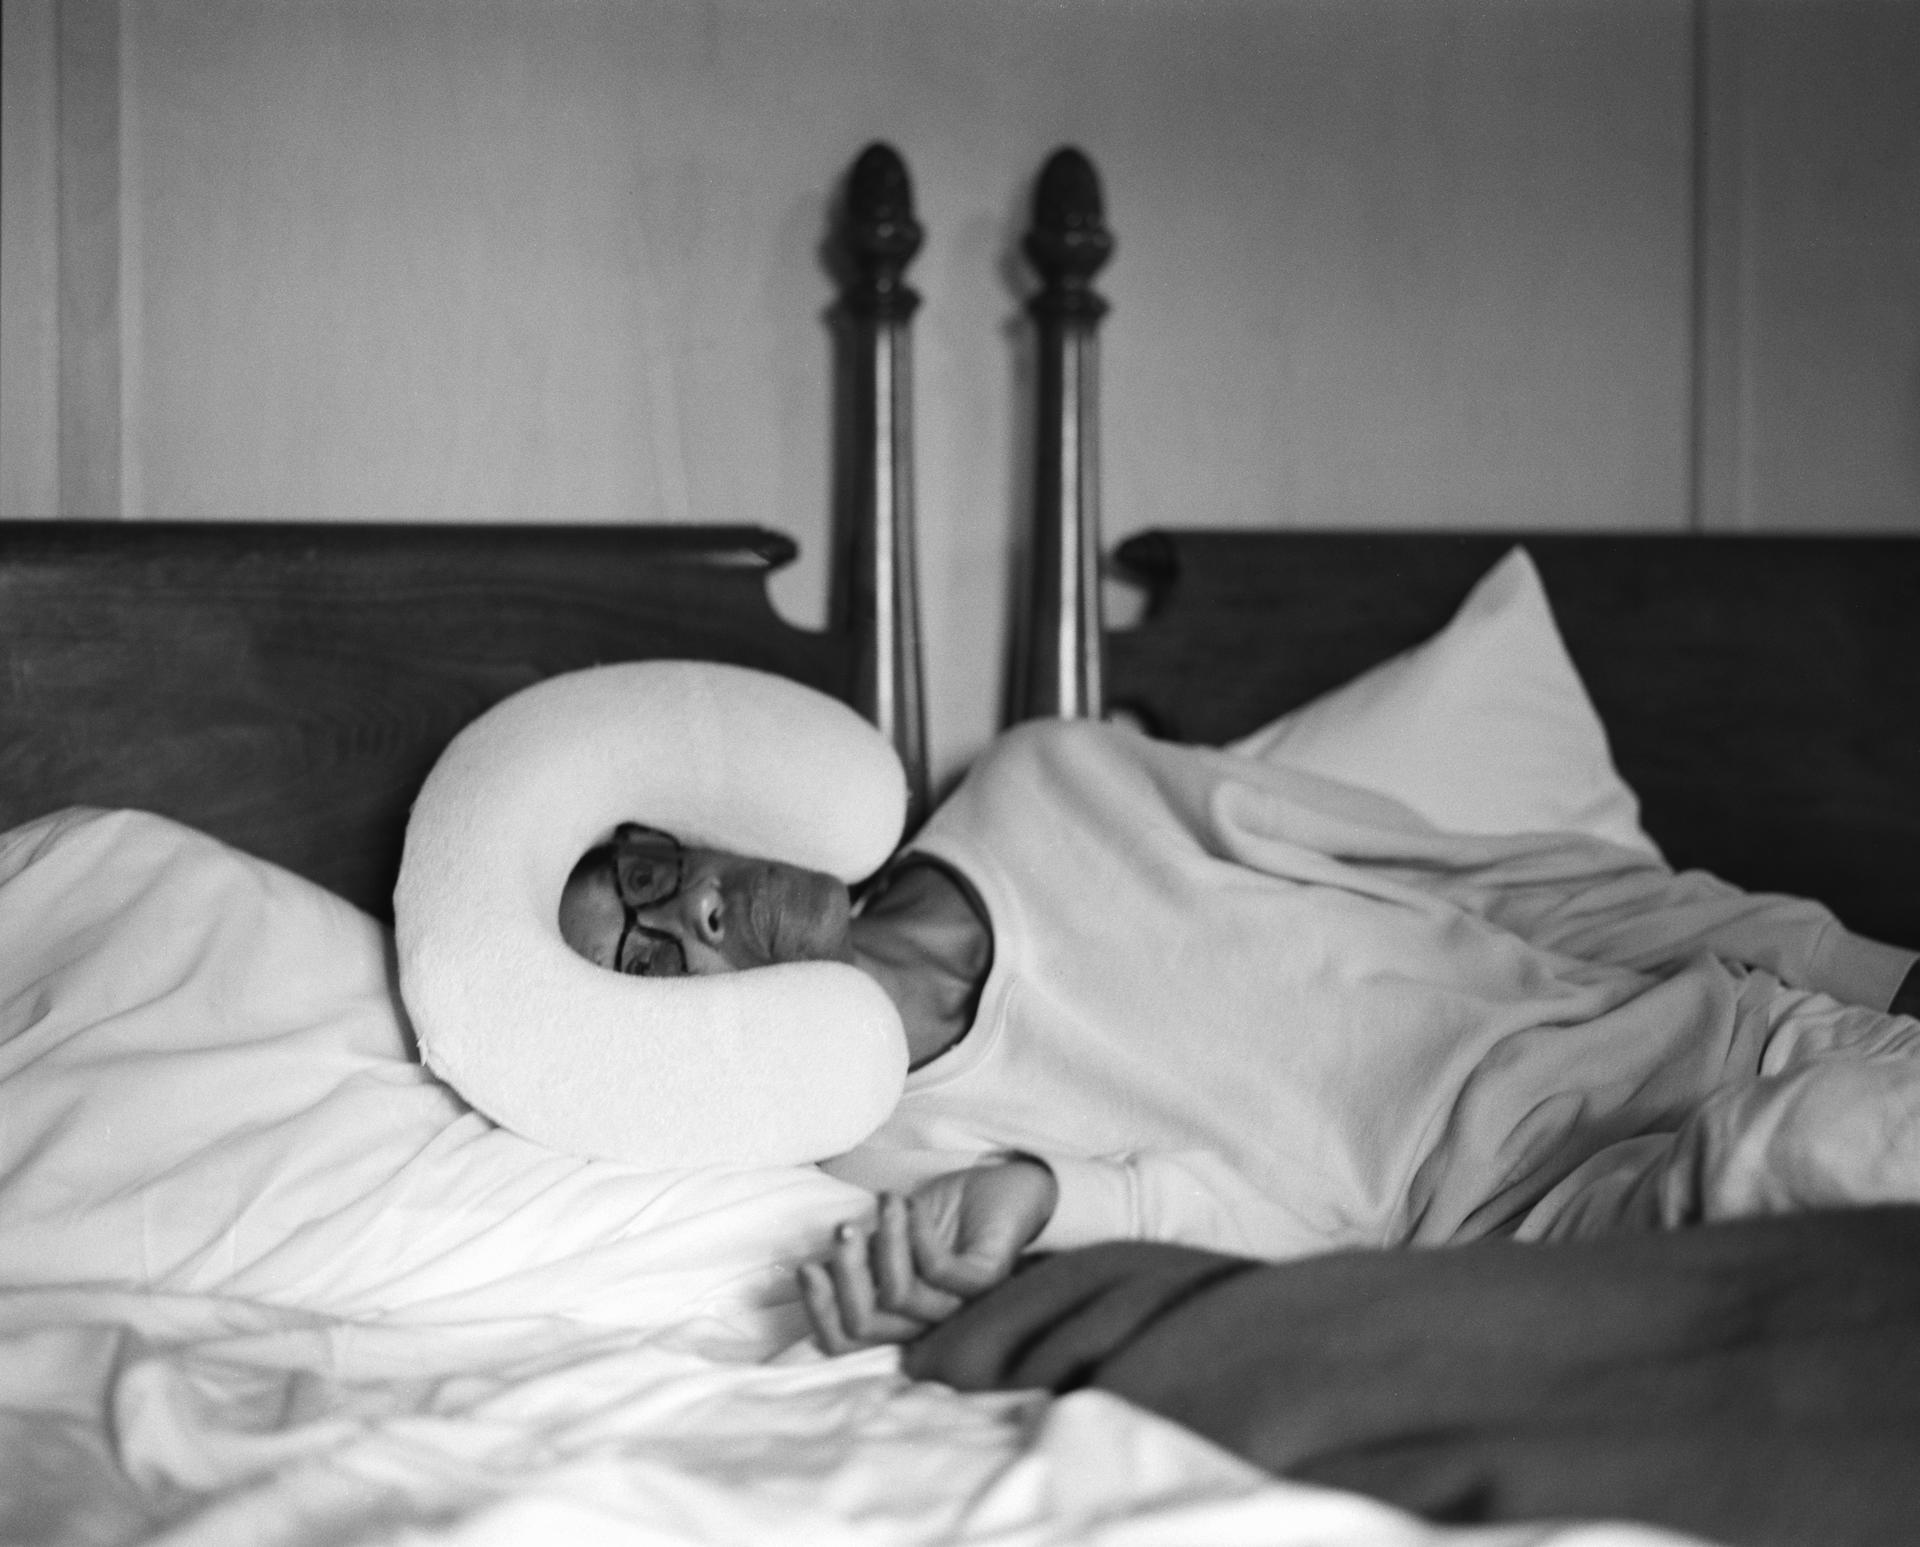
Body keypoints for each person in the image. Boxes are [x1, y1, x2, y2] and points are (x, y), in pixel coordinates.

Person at [557, 718, 1920, 1357]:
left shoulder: (1055, 783)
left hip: (1738, 1043)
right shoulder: (882, 1149)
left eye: (649, 878)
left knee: (1826, 1127)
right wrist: (1041, 1203)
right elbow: (1269, 1238)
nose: (696, 917)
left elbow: (1485, 879)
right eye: (647, 959)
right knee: (1796, 1166)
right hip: (1573, 1239)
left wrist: (1877, 974)